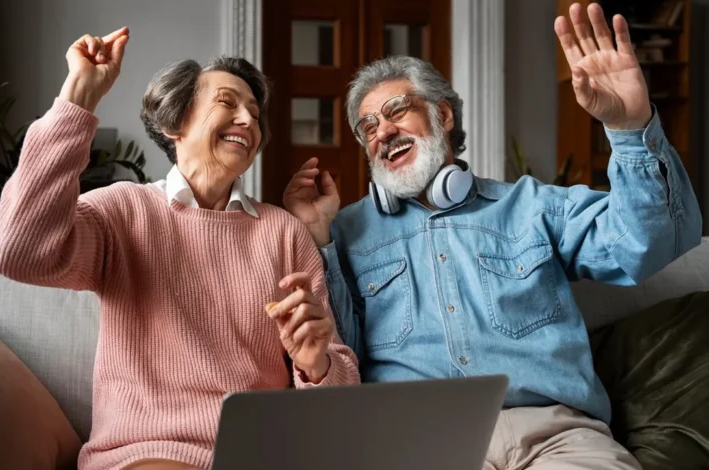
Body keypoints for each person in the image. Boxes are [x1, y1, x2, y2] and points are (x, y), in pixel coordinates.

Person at [283, 3, 701, 469]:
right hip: (422, 443)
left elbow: (649, 244)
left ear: (442, 116)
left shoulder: (533, 205)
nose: (383, 132)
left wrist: (629, 126)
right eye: (369, 127)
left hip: (554, 436)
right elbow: (340, 358)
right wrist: (318, 235)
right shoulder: (347, 231)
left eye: (396, 111)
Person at [0, 27, 359, 470]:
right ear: (175, 123)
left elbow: (339, 390)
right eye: (227, 102)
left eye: (255, 113)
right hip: (150, 453)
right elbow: (21, 251)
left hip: (262, 454)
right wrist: (79, 97)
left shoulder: (283, 232)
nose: (248, 120)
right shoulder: (123, 211)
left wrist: (316, 365)